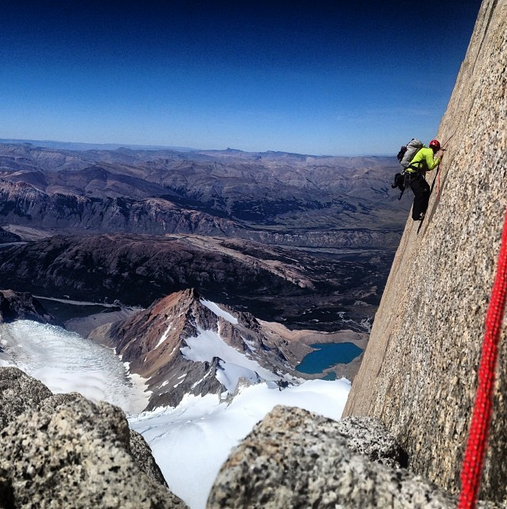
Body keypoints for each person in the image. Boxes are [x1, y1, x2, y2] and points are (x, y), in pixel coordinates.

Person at [405, 139, 444, 221]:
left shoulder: (424, 150)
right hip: (412, 176)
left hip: (412, 175)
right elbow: (431, 166)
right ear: (436, 149)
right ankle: (416, 216)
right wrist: (439, 158)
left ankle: (423, 209)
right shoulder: (429, 152)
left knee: (426, 189)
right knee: (420, 194)